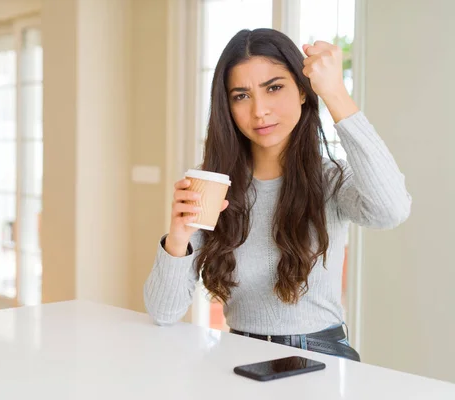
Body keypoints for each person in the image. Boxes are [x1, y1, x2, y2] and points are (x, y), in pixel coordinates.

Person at [144, 28, 411, 362]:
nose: (259, 111)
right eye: (241, 95)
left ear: (302, 91)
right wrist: (178, 237)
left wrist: (335, 94)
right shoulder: (214, 186)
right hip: (238, 357)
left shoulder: (330, 179)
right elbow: (164, 312)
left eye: (274, 88)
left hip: (319, 357)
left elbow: (392, 210)